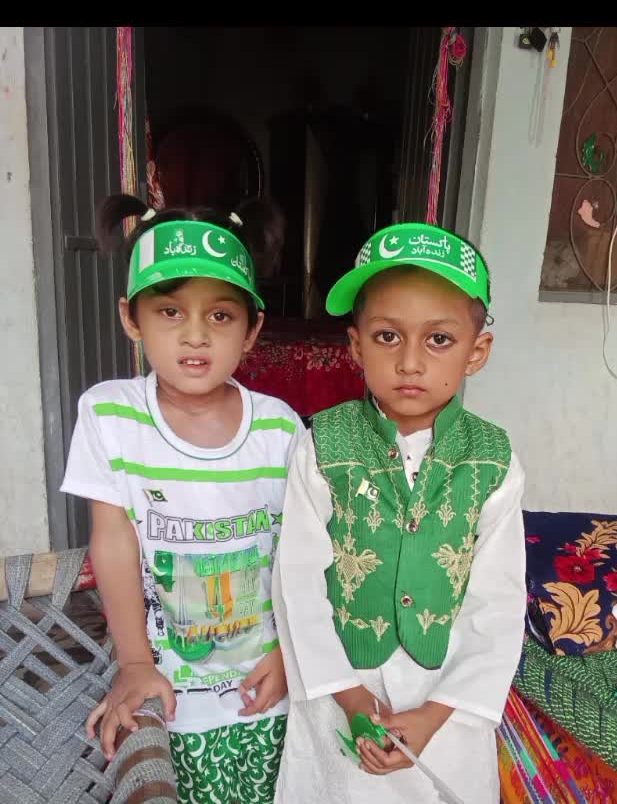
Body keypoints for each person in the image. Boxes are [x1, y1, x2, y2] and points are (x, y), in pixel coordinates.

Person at [272, 222, 526, 803]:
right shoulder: (321, 446)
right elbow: (297, 584)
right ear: (356, 345)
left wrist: (436, 713)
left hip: (446, 699)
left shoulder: (494, 461)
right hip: (341, 688)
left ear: (477, 351)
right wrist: (349, 697)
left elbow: (498, 602)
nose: (410, 362)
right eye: (388, 336)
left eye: (439, 339)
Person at [61, 195, 303, 804]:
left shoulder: (279, 427)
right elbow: (113, 541)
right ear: (132, 318)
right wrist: (134, 663)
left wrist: (289, 651)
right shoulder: (110, 416)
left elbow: (303, 551)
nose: (195, 335)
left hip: (269, 688)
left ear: (252, 329)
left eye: (220, 315)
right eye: (169, 311)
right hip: (169, 696)